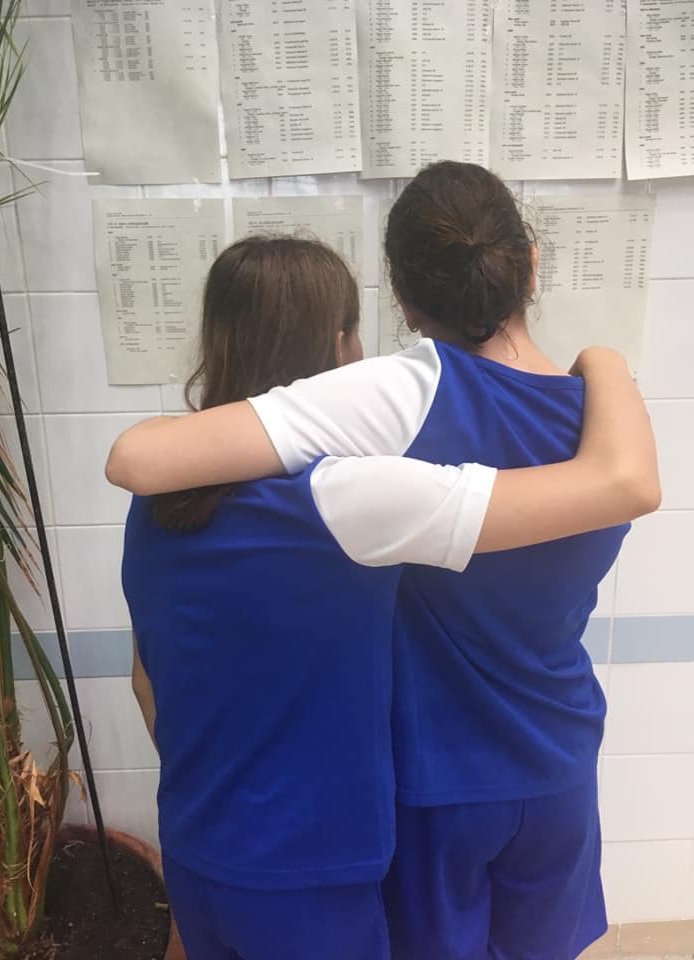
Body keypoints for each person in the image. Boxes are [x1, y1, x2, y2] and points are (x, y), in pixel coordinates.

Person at [111, 171, 660, 960]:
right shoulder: (607, 423)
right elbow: (622, 482)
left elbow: (151, 659)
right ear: (531, 265)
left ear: (403, 298)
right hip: (559, 759)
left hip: (433, 782)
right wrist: (606, 361)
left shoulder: (385, 414)